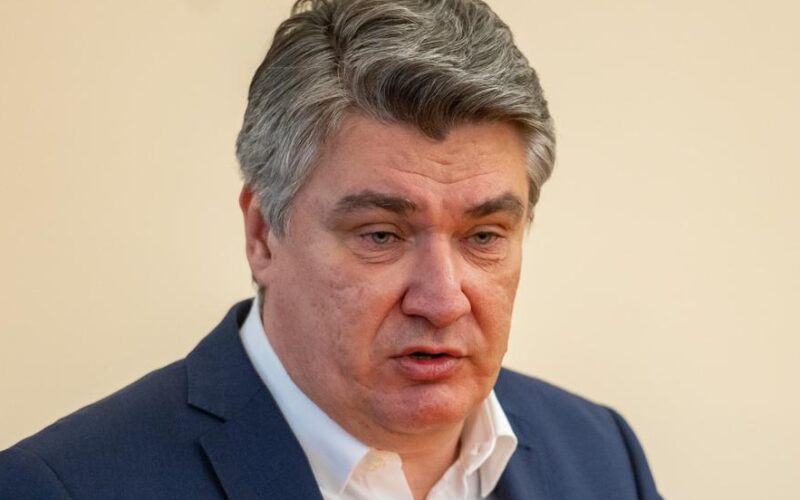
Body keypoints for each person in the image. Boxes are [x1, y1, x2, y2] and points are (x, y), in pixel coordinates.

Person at [0, 0, 662, 498]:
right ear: (263, 234)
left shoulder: (603, 456)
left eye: (484, 236)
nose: (441, 300)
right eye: (381, 235)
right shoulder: (61, 485)